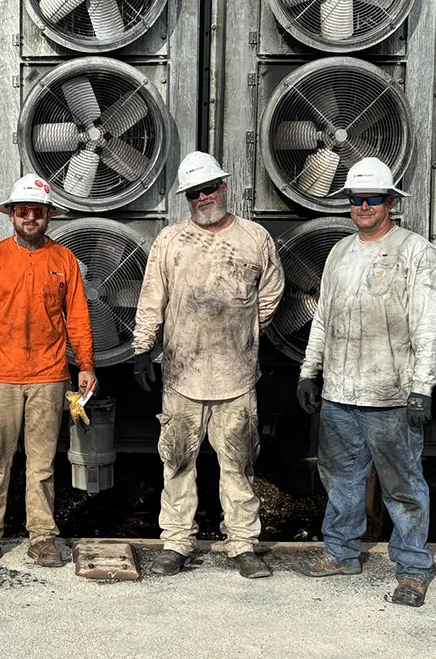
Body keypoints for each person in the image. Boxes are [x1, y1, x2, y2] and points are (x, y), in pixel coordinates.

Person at [296, 156, 436, 608]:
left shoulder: (417, 252)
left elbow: (428, 325)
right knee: (340, 479)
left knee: (402, 485)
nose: (363, 205)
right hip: (340, 393)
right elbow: (322, 315)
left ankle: (414, 567)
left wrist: (422, 386)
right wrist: (309, 370)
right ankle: (341, 553)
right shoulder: (340, 252)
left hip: (393, 396)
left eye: (372, 198)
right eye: (356, 199)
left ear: (389, 202)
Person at [133, 151, 284, 579]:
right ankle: (177, 541)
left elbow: (270, 292)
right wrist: (143, 347)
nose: (203, 197)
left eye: (209, 188)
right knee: (177, 462)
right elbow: (151, 298)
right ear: (187, 198)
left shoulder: (255, 238)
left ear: (223, 187)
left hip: (236, 377)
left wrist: (246, 331)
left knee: (238, 464)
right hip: (181, 376)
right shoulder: (170, 241)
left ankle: (242, 543)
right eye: (194, 193)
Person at [0, 173, 97, 571]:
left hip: (49, 376)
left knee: (41, 465)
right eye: (23, 211)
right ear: (11, 215)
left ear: (47, 217)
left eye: (37, 212)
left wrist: (86, 364)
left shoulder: (63, 260)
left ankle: (42, 537)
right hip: (0, 377)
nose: (30, 218)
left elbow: (77, 316)